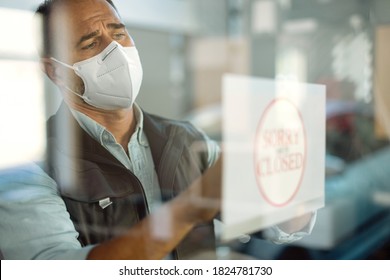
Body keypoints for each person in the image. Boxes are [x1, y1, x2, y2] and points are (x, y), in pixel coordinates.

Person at [0, 0, 315, 260]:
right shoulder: (28, 170)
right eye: (91, 44)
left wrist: (288, 171)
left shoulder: (186, 139)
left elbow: (280, 223)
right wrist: (192, 205)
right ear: (56, 71)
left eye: (119, 34)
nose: (116, 53)